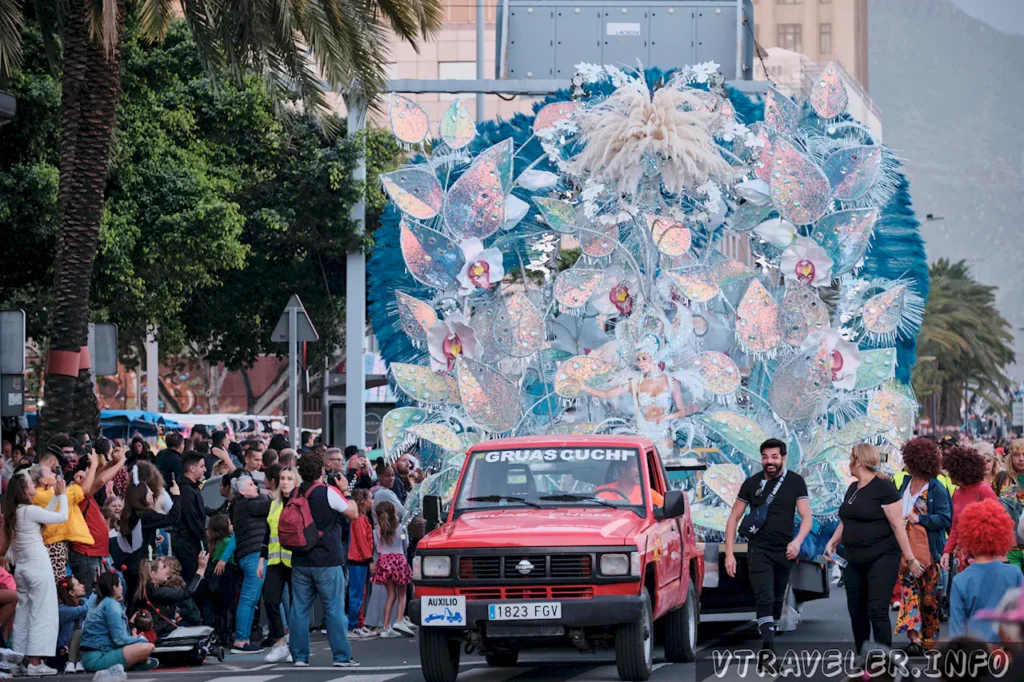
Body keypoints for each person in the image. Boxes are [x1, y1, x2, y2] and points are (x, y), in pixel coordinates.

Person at [824, 443, 925, 655]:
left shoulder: (884, 488)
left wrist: (910, 558)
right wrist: (832, 542)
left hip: (882, 556)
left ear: (858, 461)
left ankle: (884, 661)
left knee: (876, 609)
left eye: (851, 457)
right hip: (854, 557)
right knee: (856, 610)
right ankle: (862, 656)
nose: (848, 462)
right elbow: (846, 521)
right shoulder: (853, 488)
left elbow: (897, 525)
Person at [724, 439, 812, 658]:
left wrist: (797, 541)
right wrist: (729, 553)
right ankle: (768, 649)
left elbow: (807, 517)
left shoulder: (795, 482)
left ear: (783, 458)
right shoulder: (751, 483)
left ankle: (768, 636)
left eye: (774, 457)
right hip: (759, 550)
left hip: (785, 551)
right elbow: (734, 517)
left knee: (775, 601)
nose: (769, 461)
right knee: (764, 597)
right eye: (765, 457)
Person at [287, 450, 360, 668]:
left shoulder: (294, 494)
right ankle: (341, 657)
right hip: (327, 559)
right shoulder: (327, 492)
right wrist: (346, 490)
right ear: (321, 470)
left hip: (300, 558)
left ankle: (299, 656)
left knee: (299, 609)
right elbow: (353, 513)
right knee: (334, 609)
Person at [0, 471, 69, 676]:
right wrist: (63, 495)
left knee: (23, 613)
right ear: (24, 489)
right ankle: (36, 662)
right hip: (38, 567)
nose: (34, 484)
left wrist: (55, 496)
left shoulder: (17, 512)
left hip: (22, 569)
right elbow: (62, 516)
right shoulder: (29, 511)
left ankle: (19, 660)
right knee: (42, 613)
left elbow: (40, 520)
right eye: (30, 482)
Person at [894, 437, 952, 654]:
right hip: (906, 552)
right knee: (909, 595)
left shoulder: (936, 487)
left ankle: (929, 641)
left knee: (927, 599)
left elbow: (946, 519)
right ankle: (914, 640)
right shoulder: (904, 483)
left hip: (929, 552)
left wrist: (921, 519)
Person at [948, 499, 1022, 642]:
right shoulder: (1014, 574)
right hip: (1009, 652)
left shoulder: (960, 581)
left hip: (977, 653)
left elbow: (956, 632)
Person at [116, 473, 182, 607]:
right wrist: (176, 496)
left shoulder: (129, 514)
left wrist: (150, 539)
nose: (152, 493)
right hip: (141, 567)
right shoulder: (145, 515)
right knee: (140, 602)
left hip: (130, 565)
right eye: (148, 491)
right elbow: (173, 518)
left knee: (132, 600)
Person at [70, 444, 126, 594]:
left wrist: (113, 463)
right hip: (86, 554)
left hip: (91, 554)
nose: (92, 472)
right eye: (89, 468)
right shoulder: (79, 492)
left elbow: (97, 478)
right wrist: (120, 464)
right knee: (87, 594)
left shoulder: (83, 491)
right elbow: (100, 481)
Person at [31, 456, 94, 583]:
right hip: (53, 546)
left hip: (55, 544)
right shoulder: (42, 495)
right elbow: (81, 491)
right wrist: (94, 465)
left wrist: (75, 483)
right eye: (50, 472)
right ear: (43, 481)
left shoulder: (45, 493)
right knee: (58, 584)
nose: (54, 474)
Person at [79, 572, 157, 673]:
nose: (122, 588)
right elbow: (119, 640)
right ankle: (133, 664)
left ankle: (134, 663)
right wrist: (141, 640)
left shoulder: (99, 602)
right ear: (114, 588)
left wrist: (133, 639)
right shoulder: (111, 604)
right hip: (99, 658)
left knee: (138, 644)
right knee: (147, 647)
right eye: (120, 584)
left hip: (94, 655)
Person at [230, 473, 272, 653]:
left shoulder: (240, 505)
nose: (255, 486)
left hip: (250, 556)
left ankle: (243, 638)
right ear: (242, 491)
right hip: (254, 556)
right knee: (248, 599)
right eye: (251, 484)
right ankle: (241, 640)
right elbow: (270, 506)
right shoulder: (248, 504)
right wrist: (273, 493)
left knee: (250, 599)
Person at [941, 447, 999, 571]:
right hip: (962, 555)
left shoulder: (983, 490)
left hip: (982, 553)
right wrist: (947, 551)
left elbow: (999, 522)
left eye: (951, 472)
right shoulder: (957, 494)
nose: (949, 476)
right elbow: (956, 526)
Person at [262, 465, 296, 663]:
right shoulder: (274, 503)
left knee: (297, 605)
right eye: (282, 478)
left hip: (296, 560)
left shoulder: (300, 502)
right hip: (275, 560)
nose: (284, 482)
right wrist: (261, 558)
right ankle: (280, 642)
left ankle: (296, 645)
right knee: (271, 599)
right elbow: (267, 533)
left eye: (289, 478)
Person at [134, 554, 209, 636]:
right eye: (164, 567)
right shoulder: (157, 591)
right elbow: (186, 593)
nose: (168, 570)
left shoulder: (151, 588)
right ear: (153, 574)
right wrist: (201, 569)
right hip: (161, 633)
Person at [372, 501, 414, 638]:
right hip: (399, 560)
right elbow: (405, 544)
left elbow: (378, 547)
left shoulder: (377, 531)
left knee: (390, 595)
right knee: (402, 594)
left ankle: (385, 627)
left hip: (384, 561)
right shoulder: (401, 528)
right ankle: (399, 620)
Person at [171, 452, 208, 582]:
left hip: (190, 541)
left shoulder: (192, 488)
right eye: (202, 466)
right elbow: (192, 517)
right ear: (192, 468)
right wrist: (205, 538)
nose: (205, 469)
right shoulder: (186, 490)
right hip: (187, 542)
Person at [347, 489, 375, 640]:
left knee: (361, 593)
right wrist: (370, 559)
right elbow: (362, 542)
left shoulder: (361, 518)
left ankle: (359, 623)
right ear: (363, 501)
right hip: (358, 560)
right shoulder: (358, 519)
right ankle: (352, 625)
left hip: (360, 560)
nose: (372, 501)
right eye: (371, 498)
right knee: (356, 594)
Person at [206, 515, 236, 646]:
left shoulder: (213, 543)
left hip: (214, 581)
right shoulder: (228, 541)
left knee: (218, 610)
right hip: (227, 578)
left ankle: (219, 634)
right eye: (230, 524)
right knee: (228, 607)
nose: (232, 527)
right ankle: (227, 635)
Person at [56, 576, 94, 674]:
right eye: (78, 584)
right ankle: (72, 662)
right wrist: (94, 594)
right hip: (64, 650)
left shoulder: (83, 602)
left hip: (81, 645)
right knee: (78, 632)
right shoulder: (63, 609)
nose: (82, 585)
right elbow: (83, 610)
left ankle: (78, 662)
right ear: (72, 593)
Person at [595, 460, 664, 506]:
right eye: (636, 466)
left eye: (642, 466)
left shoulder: (646, 493)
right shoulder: (600, 492)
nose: (641, 470)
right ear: (623, 470)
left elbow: (667, 509)